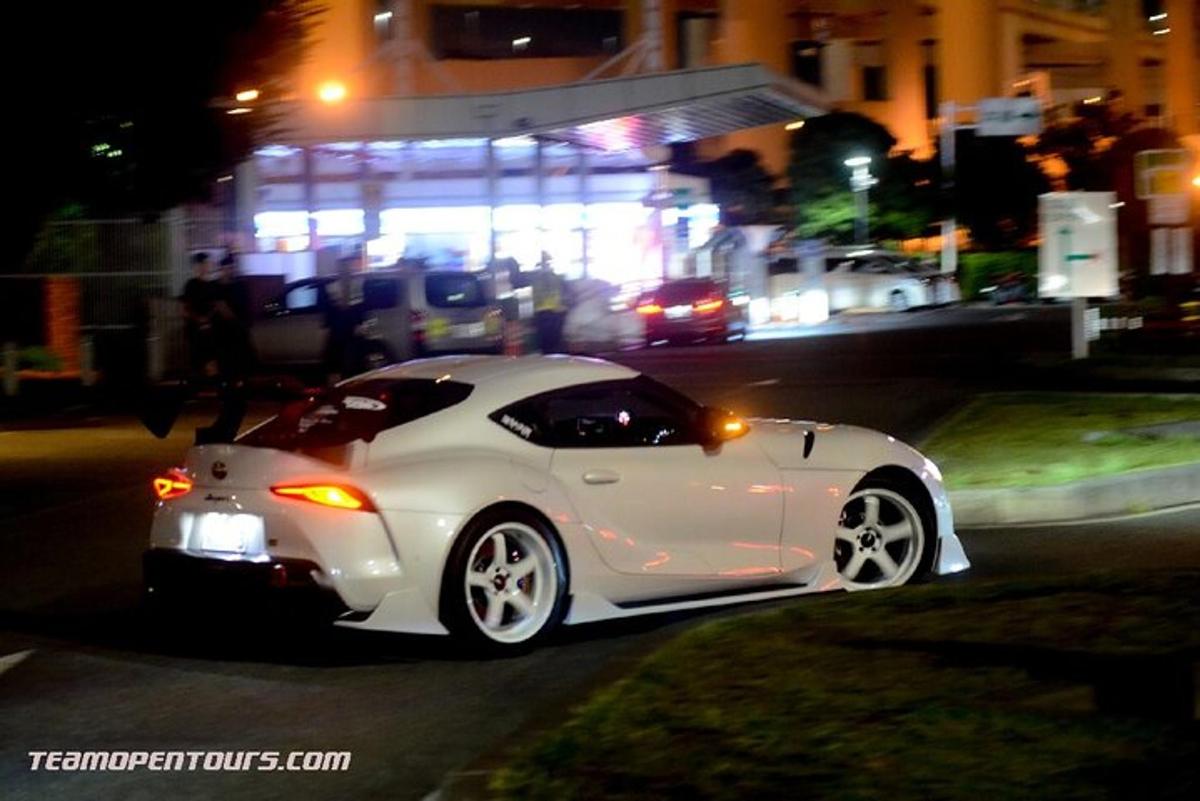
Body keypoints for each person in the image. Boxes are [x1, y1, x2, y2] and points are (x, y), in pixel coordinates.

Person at [180, 252, 217, 379]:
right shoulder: (191, 285)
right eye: (205, 264)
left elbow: (215, 306)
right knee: (197, 354)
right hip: (195, 327)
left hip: (209, 327)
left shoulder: (211, 286)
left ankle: (211, 377)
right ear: (198, 266)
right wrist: (199, 320)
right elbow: (185, 308)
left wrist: (208, 319)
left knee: (211, 352)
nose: (207, 266)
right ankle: (198, 378)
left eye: (208, 264)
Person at [531, 253, 568, 353]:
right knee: (554, 343)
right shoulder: (557, 278)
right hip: (554, 314)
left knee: (546, 345)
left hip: (544, 315)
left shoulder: (536, 279)